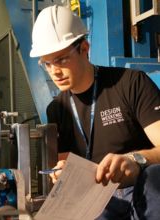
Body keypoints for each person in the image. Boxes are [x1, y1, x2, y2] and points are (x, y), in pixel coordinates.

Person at [30, 5, 160, 220]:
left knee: (155, 176)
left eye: (62, 59)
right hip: (97, 200)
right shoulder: (57, 110)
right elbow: (65, 164)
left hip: (141, 190)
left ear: (84, 48)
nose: (55, 71)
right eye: (47, 64)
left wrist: (135, 161)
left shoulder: (130, 83)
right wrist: (63, 174)